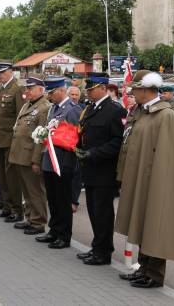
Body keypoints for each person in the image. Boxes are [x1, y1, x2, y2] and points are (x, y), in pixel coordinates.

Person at [115, 70, 174, 288]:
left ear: (146, 90)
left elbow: (167, 157)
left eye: (136, 90)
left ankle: (154, 275)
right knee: (142, 224)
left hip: (156, 181)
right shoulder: (143, 112)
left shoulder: (165, 115)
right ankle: (143, 268)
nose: (133, 94)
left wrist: (160, 185)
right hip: (141, 178)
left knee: (156, 226)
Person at [75, 73, 125, 266]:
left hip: (104, 170)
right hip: (90, 169)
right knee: (94, 211)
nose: (88, 92)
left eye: (91, 89)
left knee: (103, 212)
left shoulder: (114, 110)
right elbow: (84, 133)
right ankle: (97, 246)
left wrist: (94, 153)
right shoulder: (90, 108)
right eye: (87, 89)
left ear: (103, 88)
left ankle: (104, 252)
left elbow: (117, 142)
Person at [35, 77, 82, 249]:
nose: (50, 96)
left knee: (63, 200)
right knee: (53, 199)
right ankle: (54, 231)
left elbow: (75, 138)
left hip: (63, 161)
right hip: (50, 159)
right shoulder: (53, 109)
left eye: (52, 92)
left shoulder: (72, 110)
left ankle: (64, 235)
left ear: (61, 91)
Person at [8, 74, 50, 235]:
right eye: (27, 88)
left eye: (31, 88)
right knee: (27, 190)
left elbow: (41, 137)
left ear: (41, 89)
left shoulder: (44, 107)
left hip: (30, 155)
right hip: (20, 154)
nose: (28, 91)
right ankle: (30, 217)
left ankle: (38, 222)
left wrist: (36, 161)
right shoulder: (28, 105)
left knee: (35, 191)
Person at [0, 60, 26, 223]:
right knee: (2, 175)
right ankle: (6, 206)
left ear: (10, 71)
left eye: (2, 73)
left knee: (12, 177)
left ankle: (17, 210)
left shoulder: (17, 88)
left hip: (10, 139)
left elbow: (20, 116)